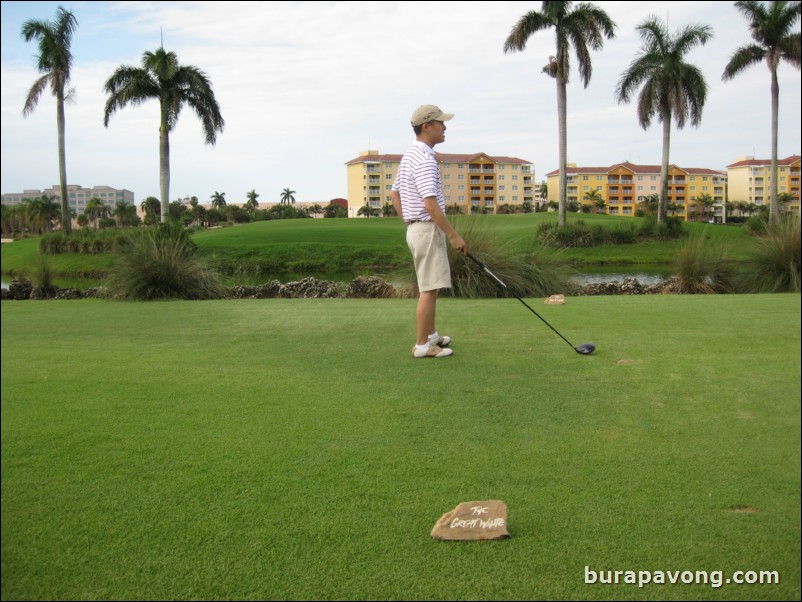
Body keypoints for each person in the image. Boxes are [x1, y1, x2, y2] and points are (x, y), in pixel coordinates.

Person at [391, 104, 468, 359]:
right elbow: (431, 204)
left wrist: (408, 222)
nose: (444, 127)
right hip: (425, 229)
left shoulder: (409, 155)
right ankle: (423, 345)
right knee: (428, 288)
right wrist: (454, 236)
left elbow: (395, 193)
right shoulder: (424, 159)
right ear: (427, 126)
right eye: (440, 123)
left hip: (417, 229)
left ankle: (432, 334)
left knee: (432, 286)